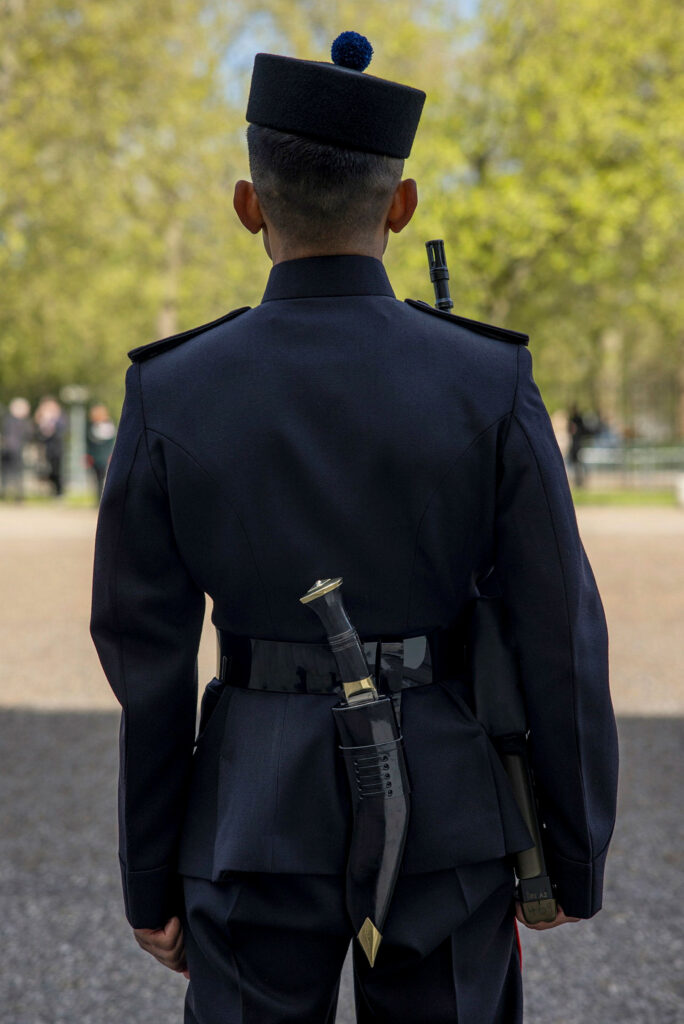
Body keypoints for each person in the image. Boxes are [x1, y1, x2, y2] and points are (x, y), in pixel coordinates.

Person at [90, 32, 618, 1024]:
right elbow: (561, 633)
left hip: (250, 812)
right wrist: (571, 851)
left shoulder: (172, 391)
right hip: (449, 809)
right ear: (402, 203)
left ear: (249, 205)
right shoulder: (487, 379)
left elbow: (144, 659)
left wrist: (151, 872)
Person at [1, 397, 32, 501]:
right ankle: (6, 493)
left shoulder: (24, 422)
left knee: (17, 473)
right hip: (9, 450)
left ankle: (17, 494)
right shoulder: (9, 420)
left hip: (17, 450)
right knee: (7, 473)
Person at [86, 403, 117, 501]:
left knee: (104, 478)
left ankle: (103, 498)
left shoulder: (108, 426)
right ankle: (99, 498)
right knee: (97, 479)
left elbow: (110, 443)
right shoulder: (91, 426)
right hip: (95, 457)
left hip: (105, 456)